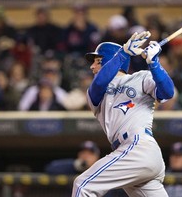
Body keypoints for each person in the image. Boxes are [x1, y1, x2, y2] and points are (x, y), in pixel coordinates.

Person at [72, 31, 174, 196]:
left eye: (98, 61)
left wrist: (154, 63)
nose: (92, 66)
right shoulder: (96, 90)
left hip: (139, 147)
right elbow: (100, 84)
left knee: (82, 185)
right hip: (130, 155)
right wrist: (124, 53)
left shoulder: (141, 77)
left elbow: (167, 93)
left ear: (110, 61)